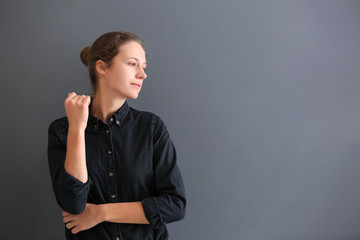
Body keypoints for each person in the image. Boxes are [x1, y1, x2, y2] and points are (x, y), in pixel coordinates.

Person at [47, 31, 186, 240]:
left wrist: (101, 213)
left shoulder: (151, 127)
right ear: (102, 67)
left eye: (144, 67)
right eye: (132, 64)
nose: (142, 74)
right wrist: (77, 128)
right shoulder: (62, 130)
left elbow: (175, 205)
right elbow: (73, 203)